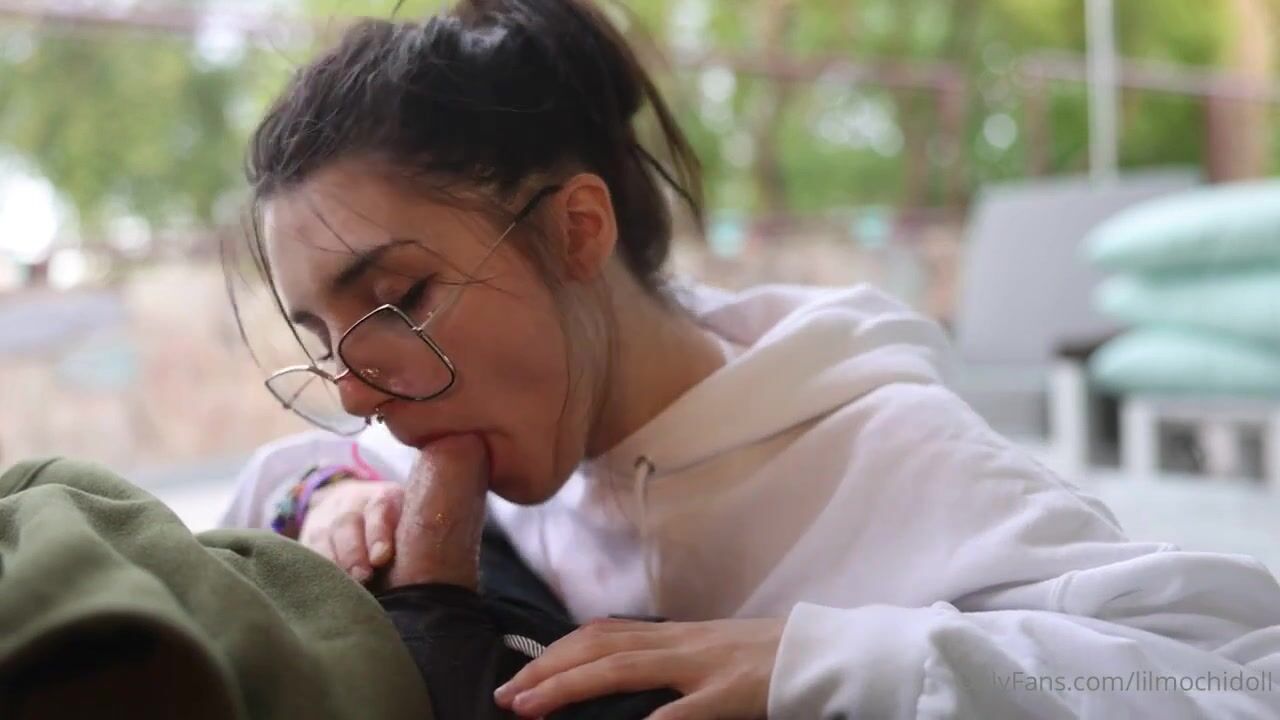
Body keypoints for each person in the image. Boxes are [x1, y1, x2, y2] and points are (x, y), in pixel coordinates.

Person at [222, 0, 1280, 717]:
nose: (355, 391)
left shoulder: (883, 457)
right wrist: (324, 499)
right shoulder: (500, 430)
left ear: (576, 230)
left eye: (398, 301)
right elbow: (277, 479)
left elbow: (1239, 676)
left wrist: (832, 660)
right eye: (325, 342)